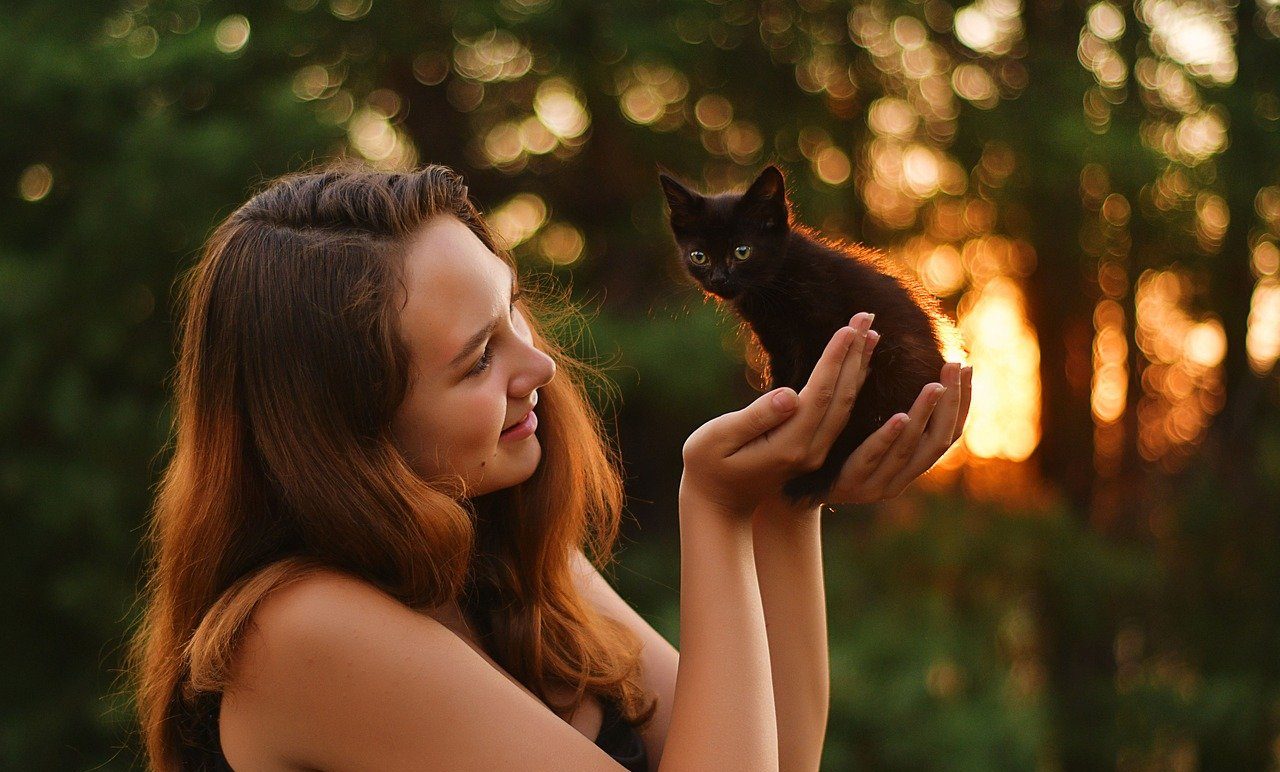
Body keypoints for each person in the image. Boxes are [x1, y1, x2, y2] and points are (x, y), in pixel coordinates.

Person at [127, 162, 972, 772]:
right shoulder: (298, 632)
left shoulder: (510, 567)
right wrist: (712, 510)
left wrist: (789, 495)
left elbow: (778, 757)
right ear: (343, 427)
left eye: (514, 314)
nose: (540, 368)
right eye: (475, 361)